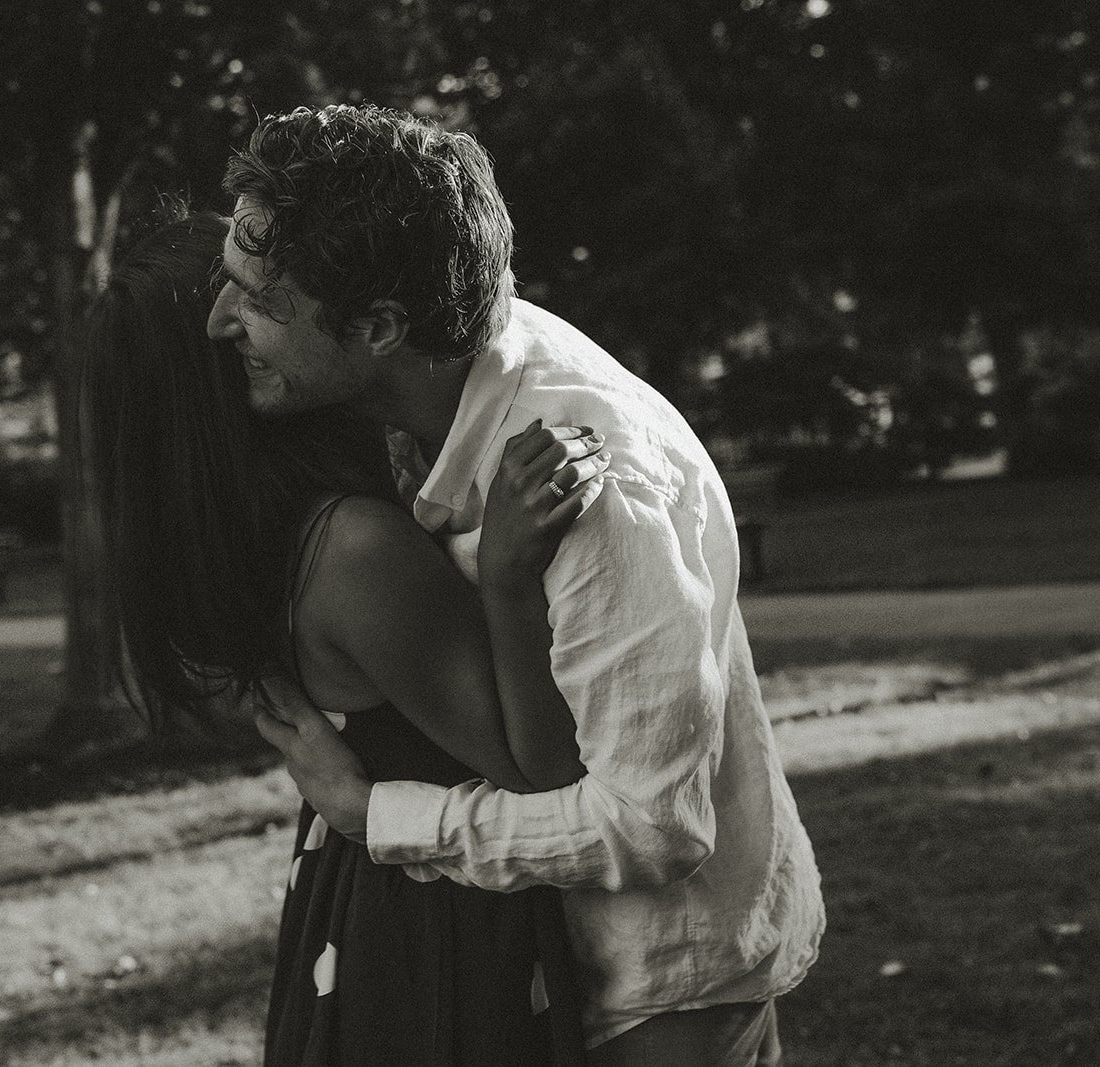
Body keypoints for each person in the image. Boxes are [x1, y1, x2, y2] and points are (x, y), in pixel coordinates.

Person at [209, 105, 825, 1065]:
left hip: (659, 994)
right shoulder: (434, 389)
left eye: (254, 300)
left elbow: (655, 829)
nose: (220, 321)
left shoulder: (589, 481)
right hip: (552, 969)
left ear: (377, 327)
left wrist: (373, 814)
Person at [83, 210, 615, 1065]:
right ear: (233, 362)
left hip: (364, 898)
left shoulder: (263, 540)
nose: (254, 309)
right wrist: (510, 579)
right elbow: (535, 766)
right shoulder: (350, 548)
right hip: (445, 921)